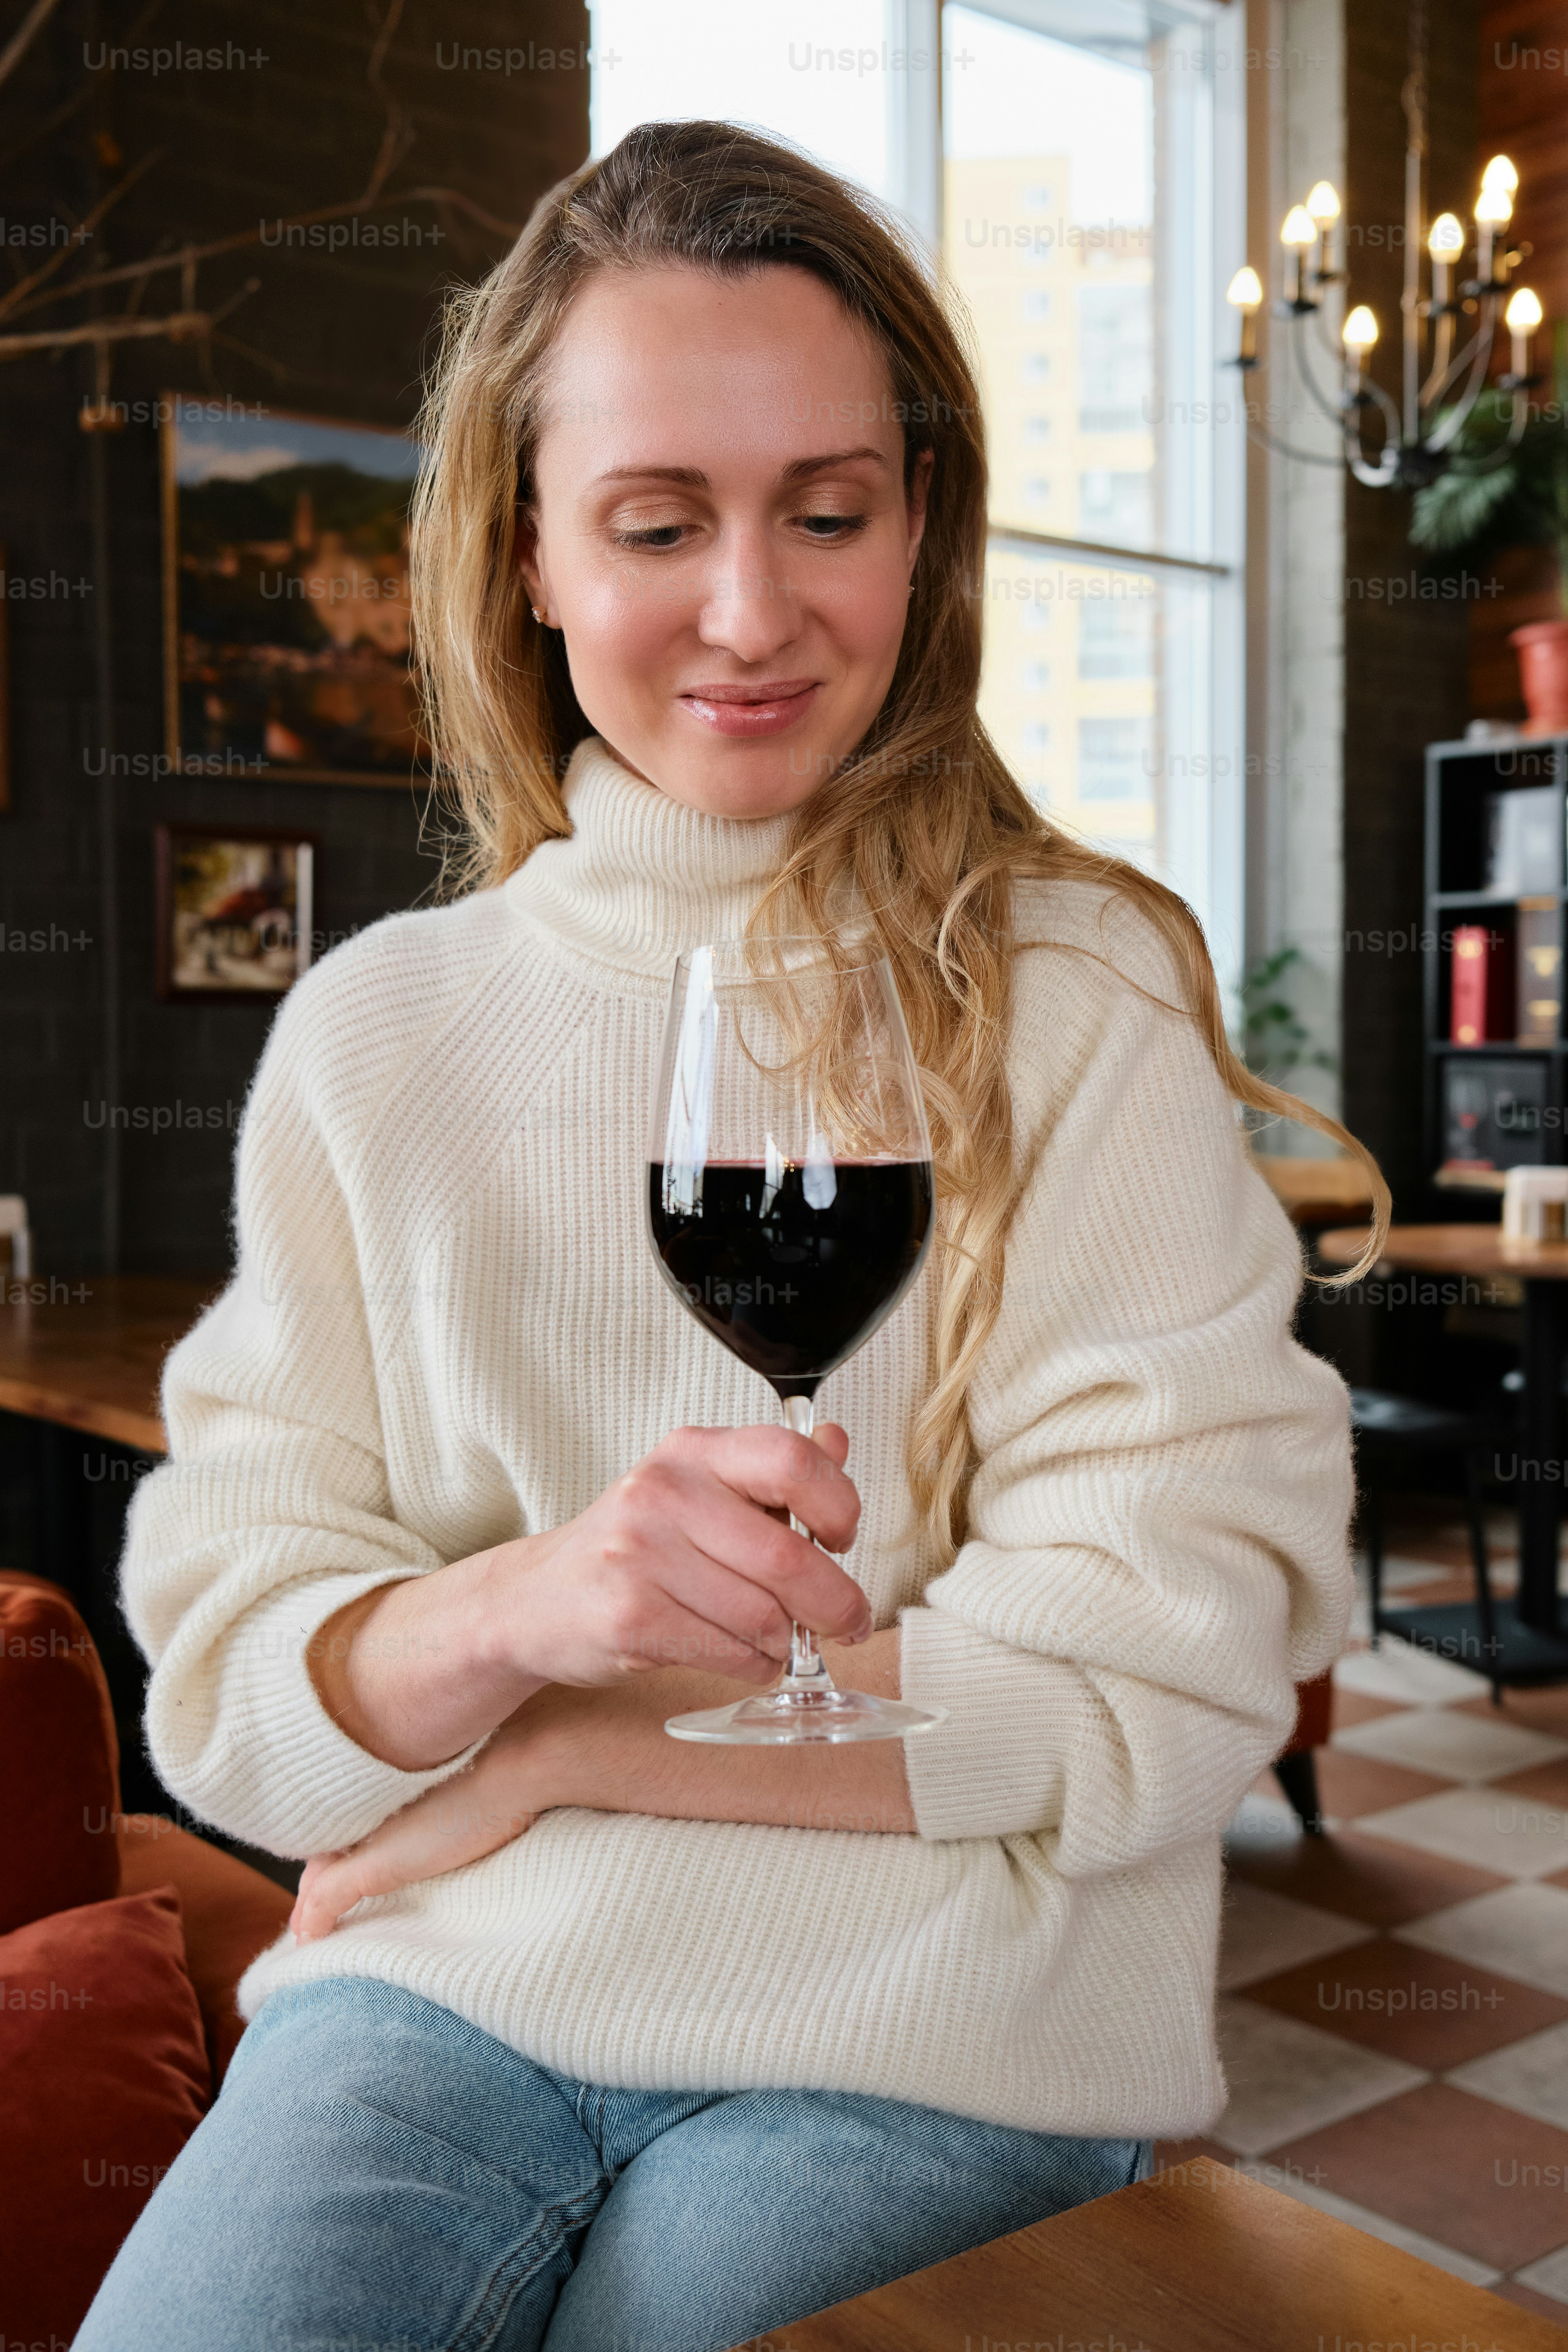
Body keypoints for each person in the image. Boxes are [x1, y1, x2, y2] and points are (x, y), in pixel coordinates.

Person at [77, 121, 1387, 2352]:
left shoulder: (1066, 994)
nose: (757, 611)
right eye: (662, 522)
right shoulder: (378, 1037)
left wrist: (569, 1744)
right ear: (527, 559)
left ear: (917, 532)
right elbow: (233, 1676)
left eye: (830, 512)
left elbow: (1165, 1674)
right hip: (438, 1995)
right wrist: (516, 1612)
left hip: (958, 2023)